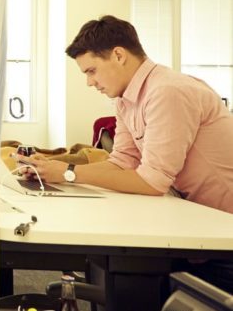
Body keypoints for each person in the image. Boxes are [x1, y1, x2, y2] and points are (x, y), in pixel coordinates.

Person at [20, 15, 233, 215]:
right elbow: (123, 162)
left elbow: (153, 182)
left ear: (119, 55)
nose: (89, 82)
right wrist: (52, 169)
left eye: (92, 71)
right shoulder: (125, 99)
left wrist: (68, 172)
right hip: (197, 213)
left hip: (222, 218)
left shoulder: (167, 91)